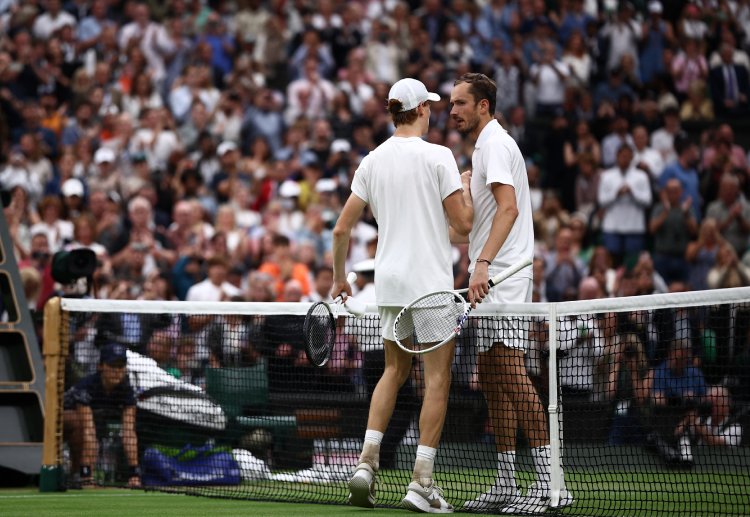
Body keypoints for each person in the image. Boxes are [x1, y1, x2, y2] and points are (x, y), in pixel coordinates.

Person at [331, 77, 473, 513]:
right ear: (422, 111)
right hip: (428, 285)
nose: (435, 112)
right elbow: (464, 226)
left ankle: (366, 466)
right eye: (431, 106)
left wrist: (339, 279)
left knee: (393, 371)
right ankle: (421, 482)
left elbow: (341, 228)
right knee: (436, 380)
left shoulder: (371, 161)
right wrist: (465, 187)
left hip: (389, 285)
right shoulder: (439, 156)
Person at [448, 72, 573, 514]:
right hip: (489, 277)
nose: (453, 110)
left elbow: (510, 207)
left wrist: (482, 263)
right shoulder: (482, 149)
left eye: (461, 103)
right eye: (451, 103)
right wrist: (463, 190)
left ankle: (551, 485)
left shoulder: (496, 144)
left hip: (503, 276)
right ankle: (506, 483)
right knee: (493, 378)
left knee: (512, 376)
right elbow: (470, 225)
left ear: (484, 106)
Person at [63, 343, 141, 488]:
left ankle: (76, 475)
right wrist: (88, 476)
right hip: (59, 424)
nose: (117, 371)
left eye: (121, 366)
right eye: (112, 366)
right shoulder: (88, 387)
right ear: (101, 366)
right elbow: (88, 431)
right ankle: (81, 474)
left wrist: (134, 474)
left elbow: (129, 433)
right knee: (79, 424)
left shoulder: (127, 390)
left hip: (92, 425)